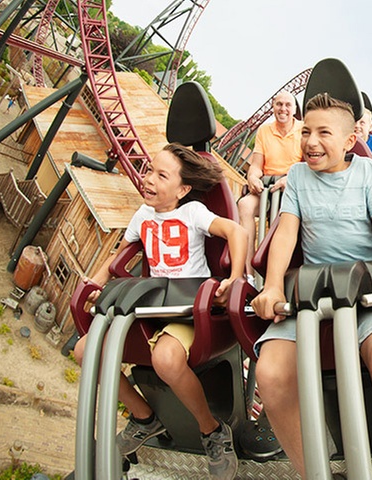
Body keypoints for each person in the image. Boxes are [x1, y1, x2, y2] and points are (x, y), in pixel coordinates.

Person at [252, 93, 372, 480]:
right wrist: (273, 286)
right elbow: (286, 232)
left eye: (323, 133)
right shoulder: (297, 176)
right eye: (306, 131)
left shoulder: (367, 173)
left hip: (369, 287)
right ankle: (315, 473)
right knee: (271, 375)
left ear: (348, 141)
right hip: (316, 290)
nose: (310, 141)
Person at [72, 143, 246, 479]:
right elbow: (117, 258)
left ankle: (212, 430)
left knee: (165, 360)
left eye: (160, 175)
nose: (148, 178)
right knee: (84, 351)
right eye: (149, 170)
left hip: (186, 310)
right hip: (151, 305)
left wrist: (235, 278)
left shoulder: (192, 212)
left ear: (182, 189)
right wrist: (94, 284)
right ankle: (143, 417)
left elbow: (235, 231)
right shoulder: (142, 215)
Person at [238, 90, 302, 280]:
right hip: (268, 185)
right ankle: (248, 274)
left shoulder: (303, 129)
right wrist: (253, 177)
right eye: (279, 104)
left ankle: (283, 274)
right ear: (273, 107)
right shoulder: (264, 131)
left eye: (287, 105)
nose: (283, 109)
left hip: (292, 185)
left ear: (294, 109)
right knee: (244, 205)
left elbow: (308, 162)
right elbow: (257, 166)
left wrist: (290, 178)